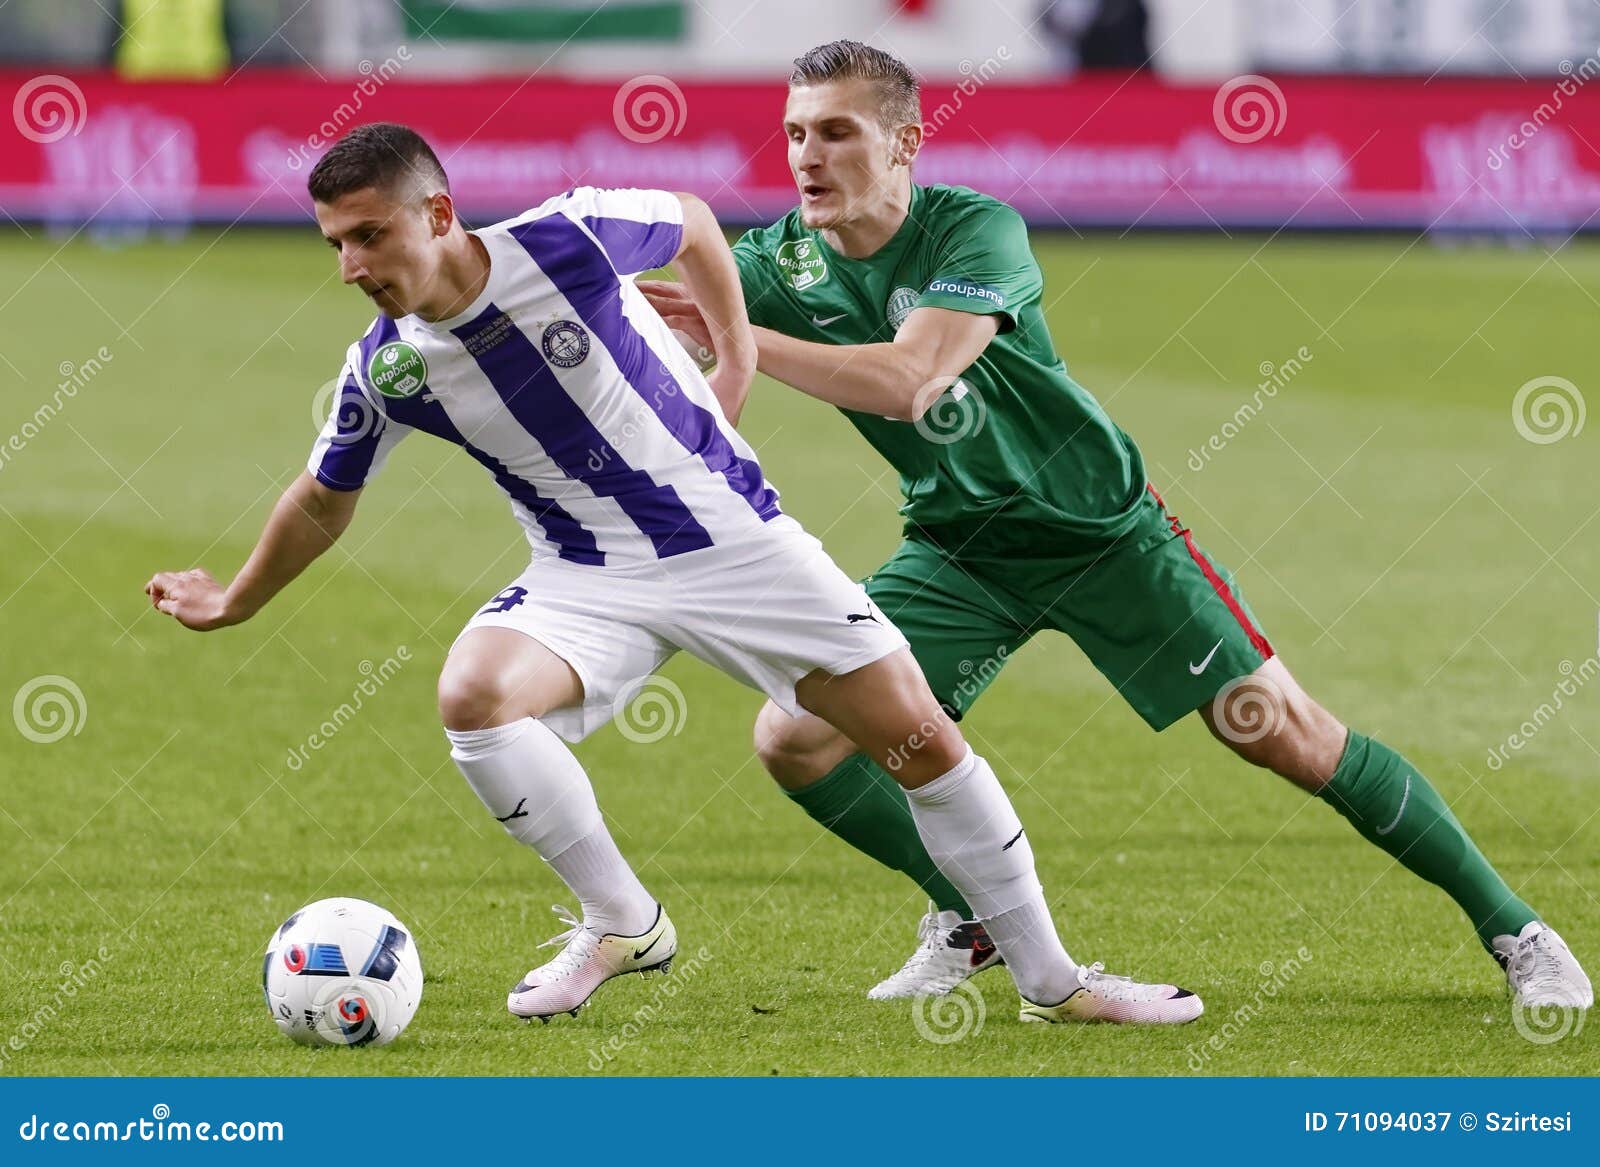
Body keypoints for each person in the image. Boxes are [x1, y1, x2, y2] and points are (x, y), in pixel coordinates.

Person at [143, 122, 1203, 1025]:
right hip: (584, 574)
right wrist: (235, 598)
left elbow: (693, 220)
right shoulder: (388, 368)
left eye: (369, 234)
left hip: (736, 546)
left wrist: (736, 351)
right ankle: (623, 925)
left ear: (436, 215)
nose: (352, 265)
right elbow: (322, 497)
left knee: (918, 740)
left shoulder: (564, 238)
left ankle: (1055, 983)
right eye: (334, 244)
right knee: (474, 695)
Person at [641, 41, 1592, 1010]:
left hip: (1099, 532)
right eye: (795, 133)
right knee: (796, 739)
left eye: (837, 133)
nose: (806, 156)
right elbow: (644, 292)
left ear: (904, 145)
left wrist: (737, 340)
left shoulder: (974, 230)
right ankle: (971, 922)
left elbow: (912, 380)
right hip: (959, 552)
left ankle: (1518, 930)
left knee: (1281, 733)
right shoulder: (780, 262)